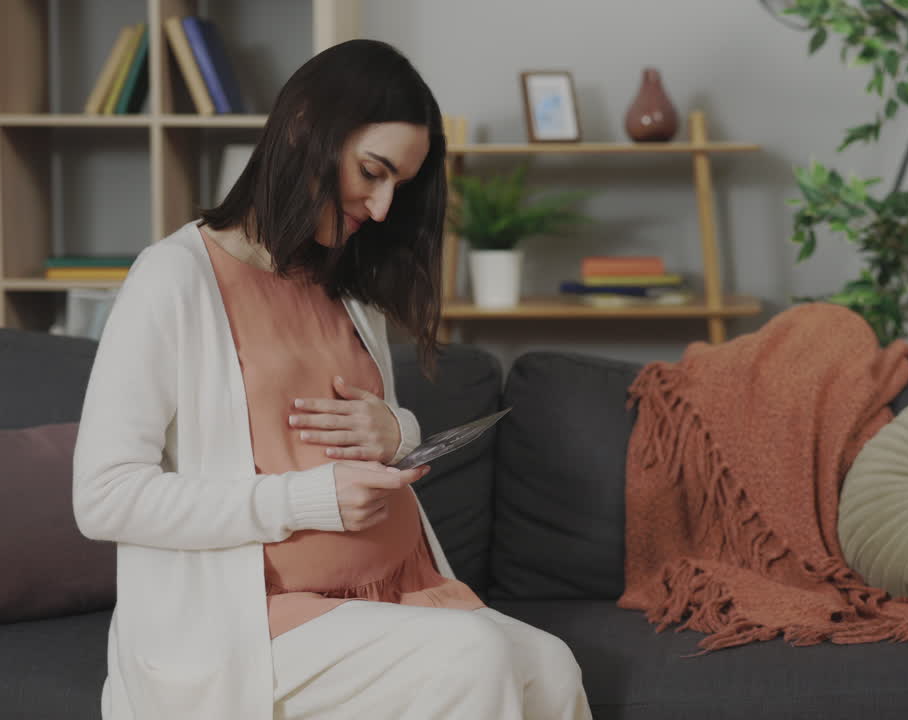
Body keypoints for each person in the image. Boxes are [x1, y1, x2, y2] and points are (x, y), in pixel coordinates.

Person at [72, 39, 592, 720]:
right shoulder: (172, 278)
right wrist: (306, 500)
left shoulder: (346, 287)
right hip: (248, 620)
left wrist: (395, 428)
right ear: (305, 128)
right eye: (372, 172)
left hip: (394, 590)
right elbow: (104, 498)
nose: (380, 208)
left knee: (552, 666)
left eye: (396, 188)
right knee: (473, 656)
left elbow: (378, 441)